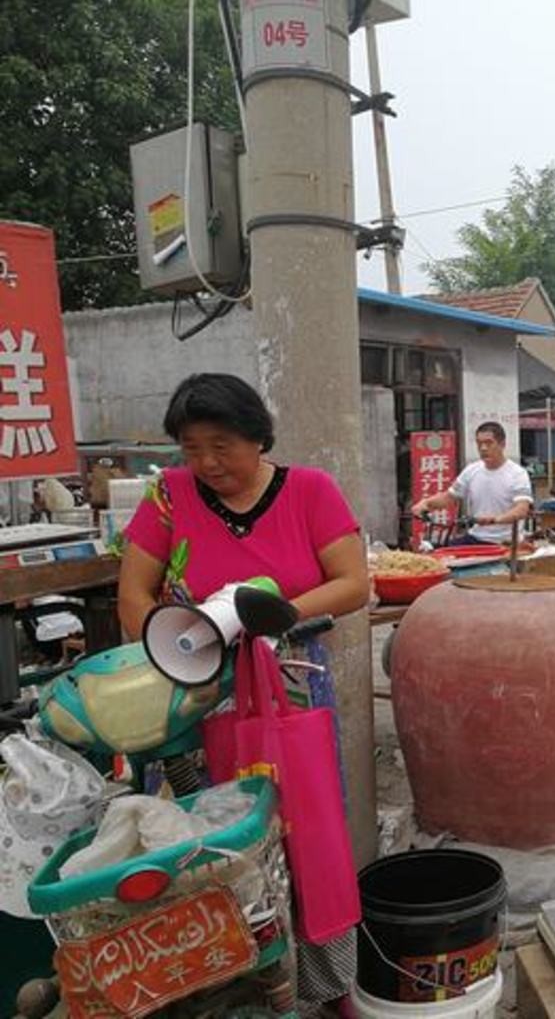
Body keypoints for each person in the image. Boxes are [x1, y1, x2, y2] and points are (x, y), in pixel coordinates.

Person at [118, 373, 368, 1007]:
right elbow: (133, 596)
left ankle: (323, 984)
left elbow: (352, 583)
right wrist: (180, 647)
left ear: (257, 437)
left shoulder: (309, 490)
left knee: (302, 830)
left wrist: (266, 618)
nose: (206, 463)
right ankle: (226, 987)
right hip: (193, 688)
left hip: (288, 687)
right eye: (191, 448)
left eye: (221, 446)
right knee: (205, 842)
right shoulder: (169, 495)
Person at [411, 422, 533, 545]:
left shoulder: (517, 474)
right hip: (476, 536)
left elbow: (521, 509)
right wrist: (426, 503)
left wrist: (495, 520)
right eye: (479, 443)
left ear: (502, 444)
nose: (483, 448)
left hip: (506, 542)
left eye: (489, 443)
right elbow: (449, 497)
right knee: (441, 552)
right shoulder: (471, 470)